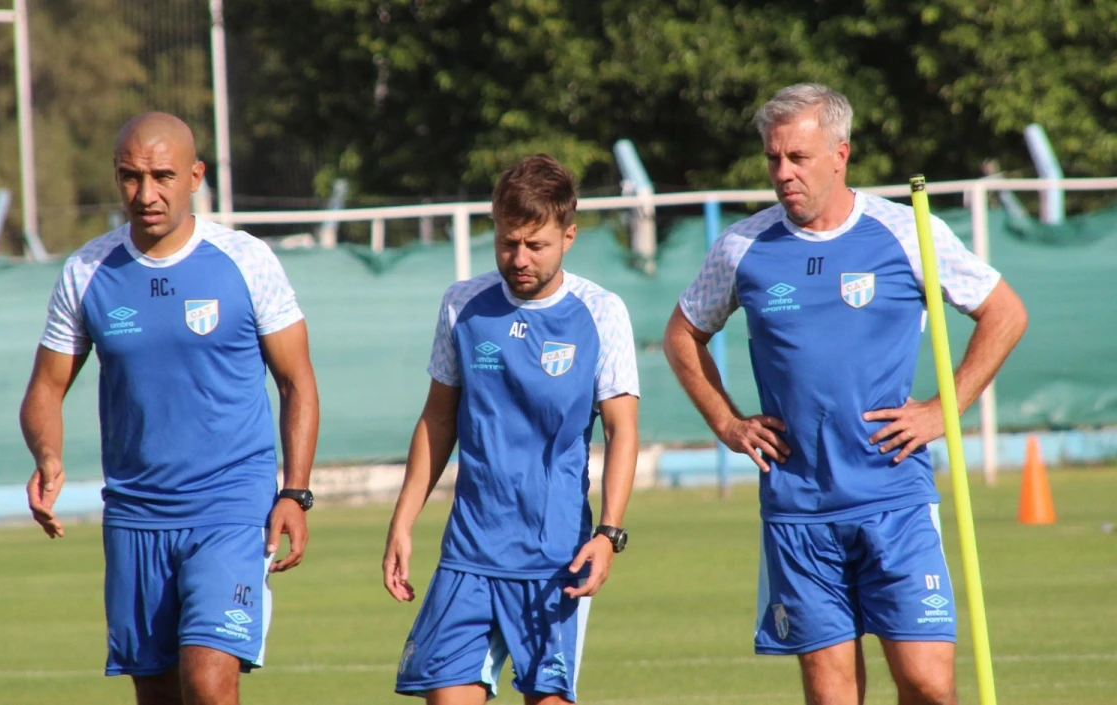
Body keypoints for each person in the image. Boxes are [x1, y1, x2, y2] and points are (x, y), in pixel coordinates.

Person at [663, 84, 1027, 705]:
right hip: (798, 508)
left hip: (894, 498)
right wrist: (728, 425)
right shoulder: (742, 246)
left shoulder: (906, 231)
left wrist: (944, 410)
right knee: (832, 697)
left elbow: (1005, 314)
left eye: (797, 158)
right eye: (773, 159)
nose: (782, 174)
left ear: (840, 154)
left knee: (928, 686)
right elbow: (681, 337)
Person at [19, 112, 320, 705]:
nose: (146, 194)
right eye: (131, 177)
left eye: (162, 176)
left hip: (230, 506)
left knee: (208, 683)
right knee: (157, 695)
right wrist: (48, 456)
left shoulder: (246, 261)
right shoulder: (86, 272)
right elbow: (45, 389)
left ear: (195, 177)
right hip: (135, 513)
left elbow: (297, 382)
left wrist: (295, 491)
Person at [382, 154, 640, 705]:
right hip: (470, 552)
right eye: (506, 243)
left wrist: (609, 533)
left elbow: (622, 431)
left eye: (535, 245)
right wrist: (403, 522)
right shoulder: (462, 305)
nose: (519, 258)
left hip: (555, 556)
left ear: (568, 236)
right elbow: (438, 419)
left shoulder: (602, 312)